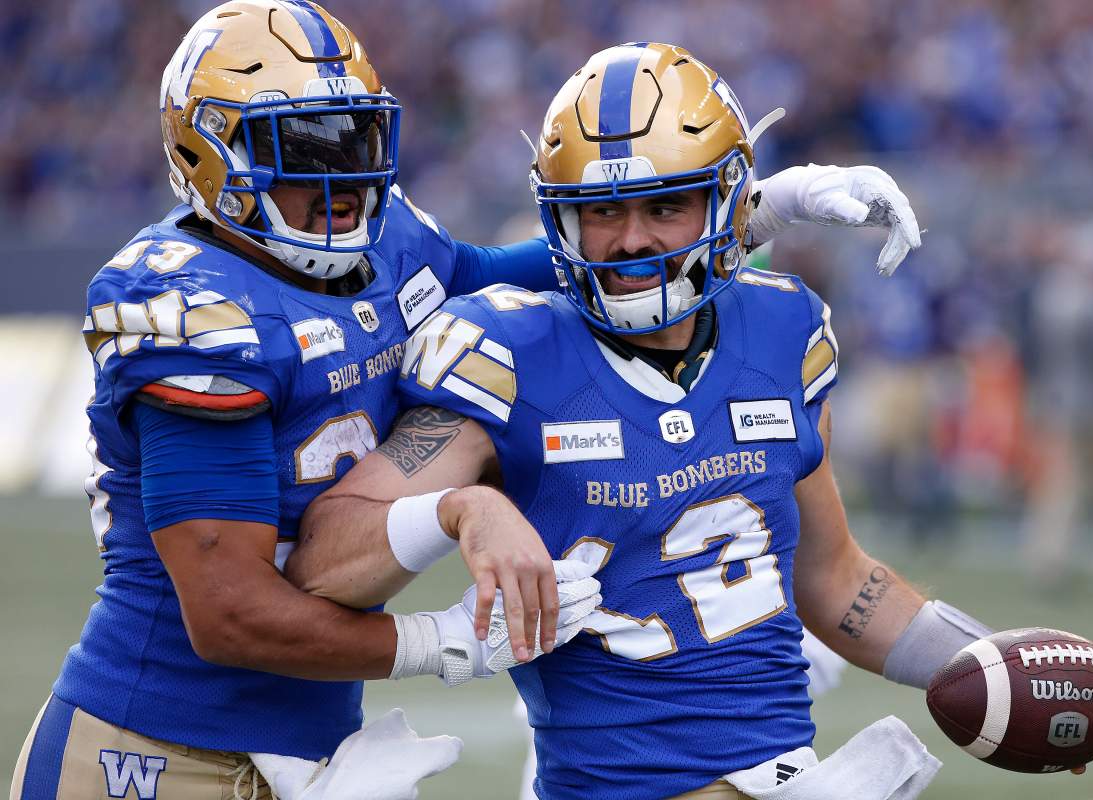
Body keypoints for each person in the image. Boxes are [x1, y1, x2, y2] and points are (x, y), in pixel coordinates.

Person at [10, 3, 926, 797]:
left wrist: (756, 211)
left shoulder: (392, 244)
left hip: (315, 737)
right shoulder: (189, 309)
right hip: (151, 746)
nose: (333, 178)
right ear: (201, 154)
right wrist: (439, 640)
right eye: (293, 150)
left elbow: (563, 267)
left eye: (348, 138)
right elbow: (229, 614)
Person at [287, 43, 1093, 800]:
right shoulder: (508, 354)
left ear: (729, 204)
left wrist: (994, 669)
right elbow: (326, 561)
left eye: (664, 206)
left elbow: (836, 578)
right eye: (602, 212)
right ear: (561, 219)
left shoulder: (782, 330)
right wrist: (460, 511)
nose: (631, 241)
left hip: (790, 772)